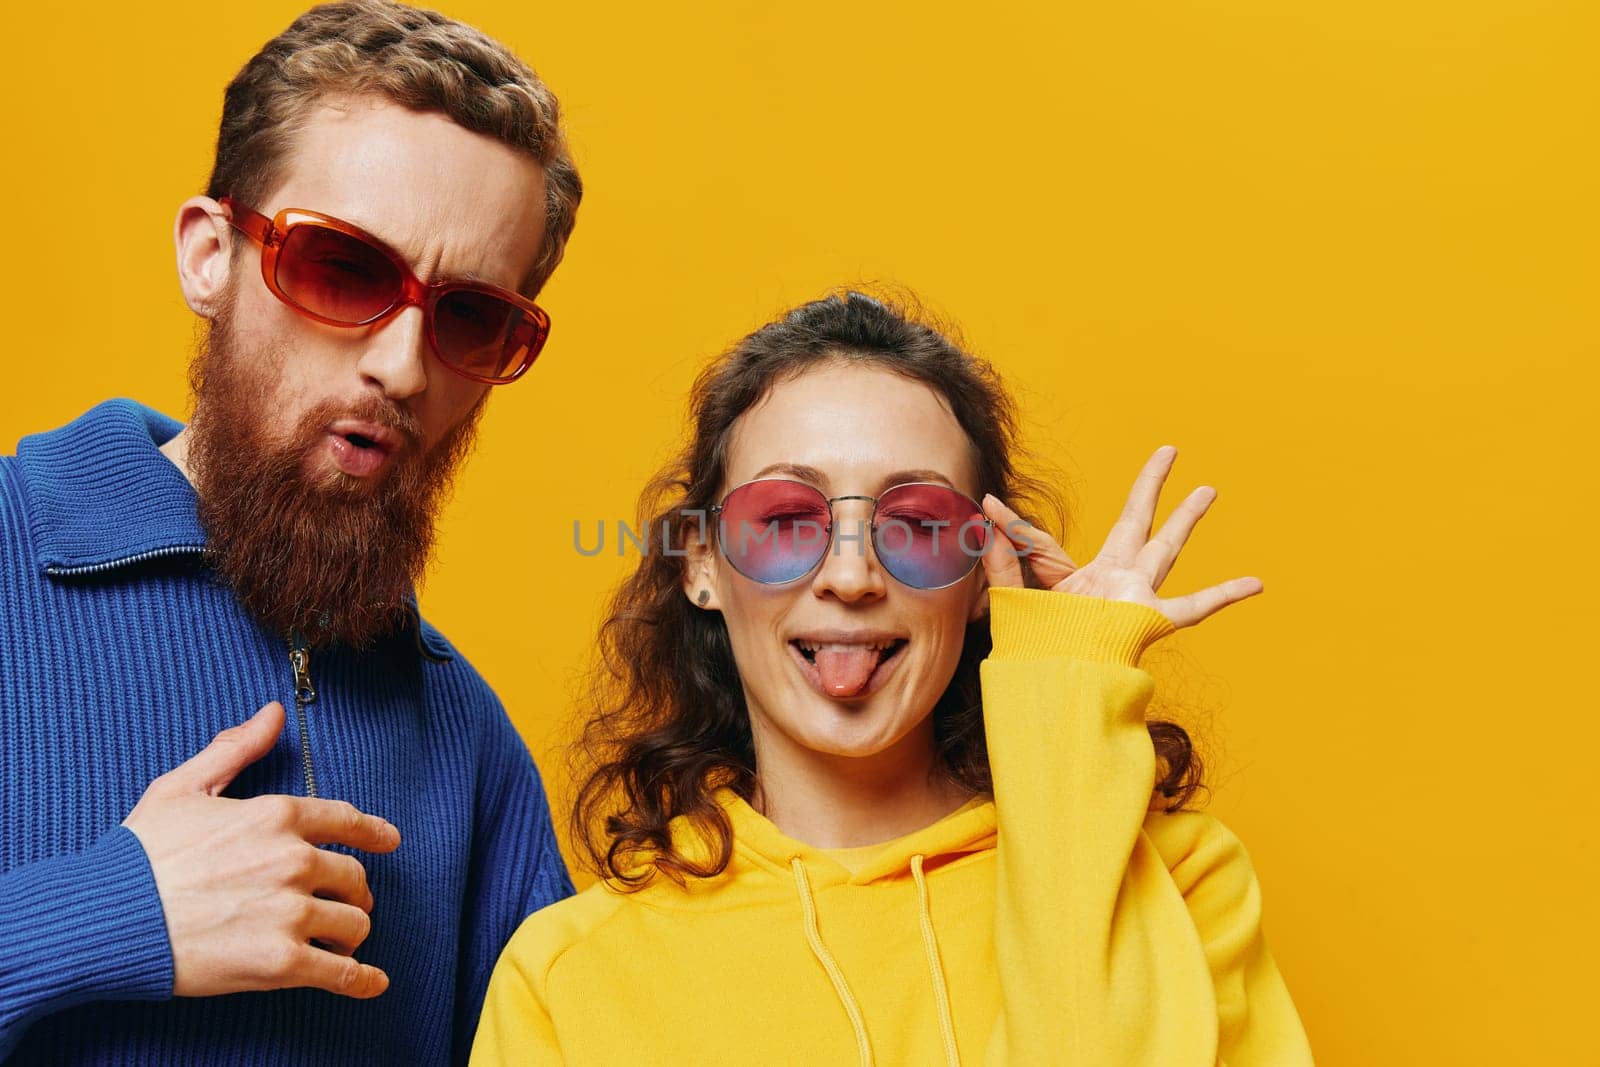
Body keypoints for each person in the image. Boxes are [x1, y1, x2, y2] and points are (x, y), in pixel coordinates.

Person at [471, 291, 1314, 1065]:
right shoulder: (567, 979)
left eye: (915, 522)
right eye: (785, 517)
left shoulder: (1179, 881)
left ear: (986, 574)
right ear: (701, 564)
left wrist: (1065, 684)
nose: (850, 574)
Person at [0, 2, 582, 1062]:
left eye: (468, 317)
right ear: (209, 256)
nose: (402, 367)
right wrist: (107, 911)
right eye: (344, 270)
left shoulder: (468, 740)